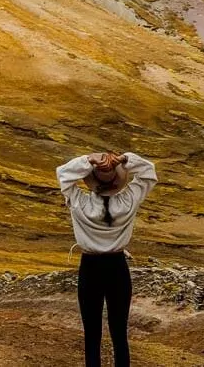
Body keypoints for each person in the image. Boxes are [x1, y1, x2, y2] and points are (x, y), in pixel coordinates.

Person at [56, 150, 158, 367]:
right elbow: (149, 173)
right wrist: (125, 159)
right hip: (117, 266)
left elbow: (63, 174)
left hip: (90, 266)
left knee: (92, 332)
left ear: (91, 180)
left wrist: (88, 160)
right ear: (117, 181)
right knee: (119, 332)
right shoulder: (129, 201)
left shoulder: (78, 203)